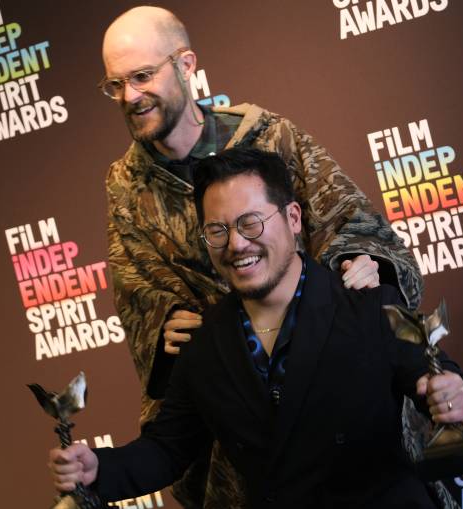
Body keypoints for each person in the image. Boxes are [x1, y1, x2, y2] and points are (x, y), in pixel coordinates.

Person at [100, 6, 423, 507]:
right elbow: (136, 286)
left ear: (186, 66)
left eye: (142, 77)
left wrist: (362, 262)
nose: (130, 96)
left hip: (328, 384)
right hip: (235, 407)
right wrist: (167, 321)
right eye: (116, 85)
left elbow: (350, 219)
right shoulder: (125, 186)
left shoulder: (270, 135)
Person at [51, 148, 463, 508]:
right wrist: (98, 470)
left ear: (294, 219)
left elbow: (449, 385)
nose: (237, 244)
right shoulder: (204, 344)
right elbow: (166, 449)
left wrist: (461, 401)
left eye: (250, 223)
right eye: (218, 231)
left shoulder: (367, 303)